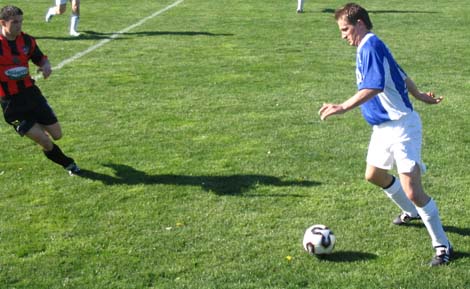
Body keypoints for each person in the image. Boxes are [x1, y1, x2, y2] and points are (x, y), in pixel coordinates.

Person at [318, 3, 452, 266]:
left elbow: (375, 86)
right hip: (382, 128)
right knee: (374, 175)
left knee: (412, 189)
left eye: (345, 29)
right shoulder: (371, 46)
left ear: (359, 23)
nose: (343, 35)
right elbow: (401, 75)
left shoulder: (369, 45)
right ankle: (411, 213)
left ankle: (443, 246)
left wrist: (343, 106)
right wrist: (420, 95)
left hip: (402, 126)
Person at [0, 5, 80, 176]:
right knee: (45, 141)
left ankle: (36, 129)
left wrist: (46, 67)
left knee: (57, 135)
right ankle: (68, 164)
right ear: (2, 23)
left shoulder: (27, 41)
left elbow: (41, 59)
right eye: (14, 22)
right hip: (12, 106)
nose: (19, 26)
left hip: (32, 95)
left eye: (21, 22)